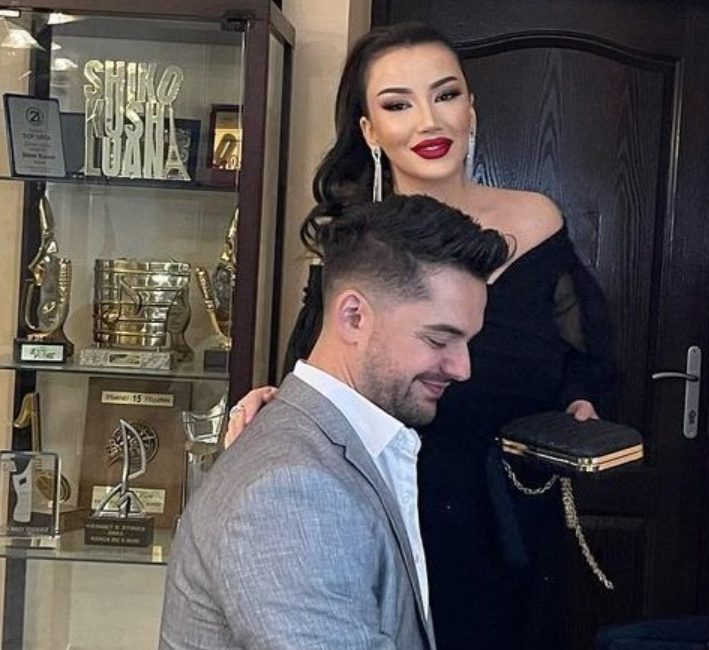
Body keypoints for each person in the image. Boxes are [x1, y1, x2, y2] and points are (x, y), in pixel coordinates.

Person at [226, 22, 613, 650]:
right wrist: (273, 400)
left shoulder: (537, 222)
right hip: (392, 513)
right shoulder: (353, 249)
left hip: (512, 520)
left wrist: (581, 404)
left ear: (471, 109)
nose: (428, 122)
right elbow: (319, 376)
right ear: (370, 131)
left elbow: (588, 355)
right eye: (398, 105)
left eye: (445, 95)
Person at [159, 194, 509, 650]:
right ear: (353, 317)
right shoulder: (291, 490)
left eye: (467, 342)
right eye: (439, 339)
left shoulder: (328, 446)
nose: (463, 368)